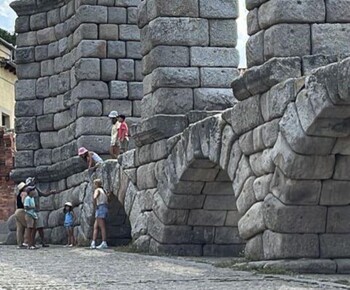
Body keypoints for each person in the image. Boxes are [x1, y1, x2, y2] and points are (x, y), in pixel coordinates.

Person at [25, 177, 55, 247]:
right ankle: (32, 243)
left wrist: (50, 192)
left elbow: (43, 194)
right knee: (33, 228)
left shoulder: (35, 189)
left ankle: (42, 242)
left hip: (37, 210)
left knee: (40, 227)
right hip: (32, 212)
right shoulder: (28, 191)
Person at [90, 179, 108, 250]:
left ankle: (104, 242)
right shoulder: (103, 190)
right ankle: (93, 242)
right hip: (104, 207)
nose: (93, 185)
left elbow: (95, 197)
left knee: (102, 226)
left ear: (96, 184)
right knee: (96, 226)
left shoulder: (97, 190)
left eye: (94, 184)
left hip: (100, 207)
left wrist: (95, 205)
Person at [14, 182, 28, 249]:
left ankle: (19, 243)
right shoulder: (24, 193)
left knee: (19, 228)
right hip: (22, 210)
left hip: (17, 211)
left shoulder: (18, 194)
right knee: (28, 225)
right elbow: (23, 201)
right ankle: (26, 242)